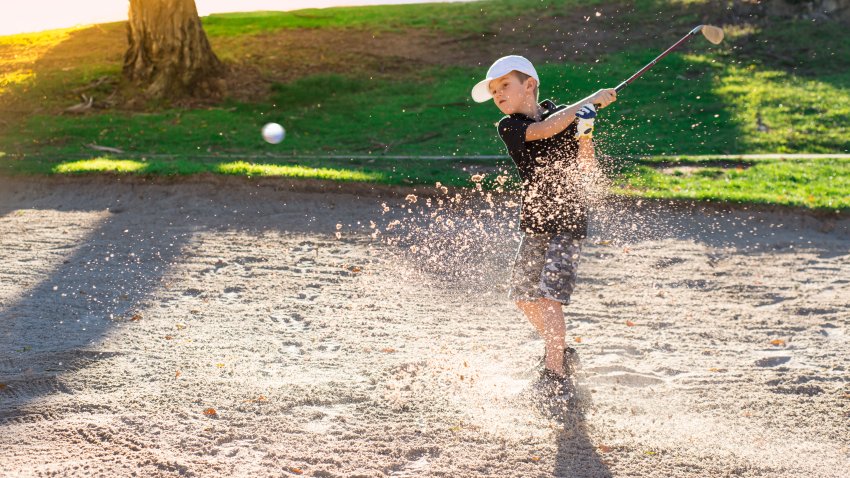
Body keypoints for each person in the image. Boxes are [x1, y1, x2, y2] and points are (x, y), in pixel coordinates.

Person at [471, 55, 616, 396]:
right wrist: (591, 99)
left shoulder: (566, 114)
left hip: (568, 221)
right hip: (535, 222)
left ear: (530, 85)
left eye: (504, 86)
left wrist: (584, 133)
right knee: (523, 296)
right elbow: (544, 130)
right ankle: (561, 354)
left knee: (550, 298)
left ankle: (555, 374)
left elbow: (586, 167)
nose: (499, 95)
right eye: (494, 91)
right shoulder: (510, 126)